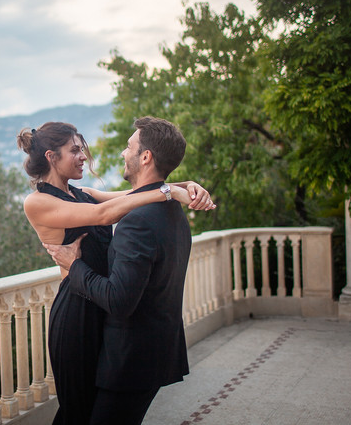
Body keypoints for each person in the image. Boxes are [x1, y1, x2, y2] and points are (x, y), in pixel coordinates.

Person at [16, 122, 213, 425]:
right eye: (74, 150)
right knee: (77, 413)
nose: (83, 155)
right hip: (77, 315)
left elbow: (134, 194)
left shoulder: (82, 193)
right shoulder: (38, 202)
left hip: (103, 308)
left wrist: (183, 186)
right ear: (51, 157)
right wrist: (170, 190)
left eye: (81, 148)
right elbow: (105, 215)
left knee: (94, 411)